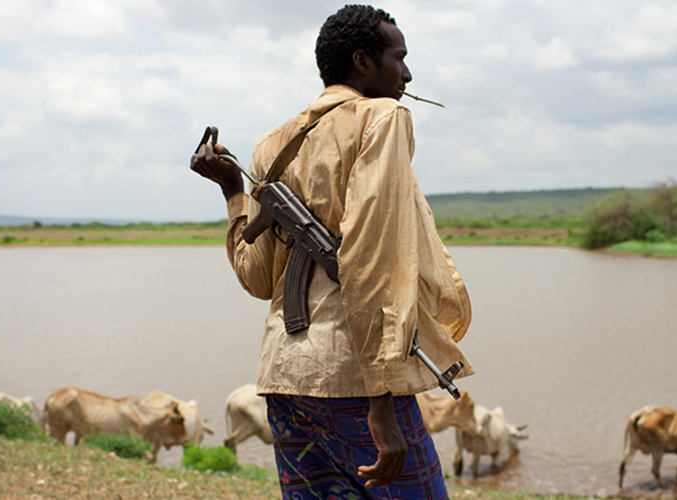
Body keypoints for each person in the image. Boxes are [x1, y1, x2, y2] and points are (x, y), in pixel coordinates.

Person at [191, 5, 473, 499]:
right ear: (362, 62)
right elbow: (376, 258)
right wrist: (382, 406)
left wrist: (233, 193)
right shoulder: (383, 116)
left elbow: (257, 280)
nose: (407, 73)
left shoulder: (271, 144)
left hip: (284, 380)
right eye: (399, 57)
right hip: (356, 383)